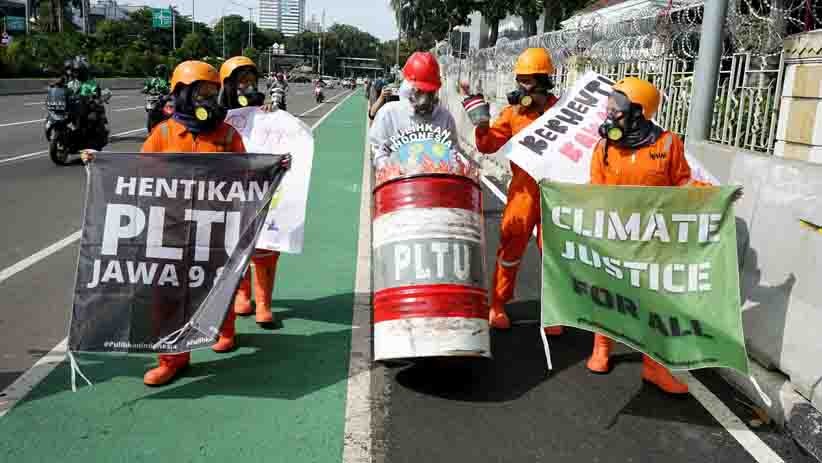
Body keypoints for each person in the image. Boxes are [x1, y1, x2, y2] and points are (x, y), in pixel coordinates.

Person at [84, 60, 247, 386]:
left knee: (217, 283)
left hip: (214, 224)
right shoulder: (163, 133)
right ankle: (172, 358)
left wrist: (275, 166)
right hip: (169, 226)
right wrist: (101, 160)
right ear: (182, 94)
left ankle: (224, 329)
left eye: (213, 93)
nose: (208, 100)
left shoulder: (228, 134)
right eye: (202, 92)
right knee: (167, 292)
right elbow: (137, 172)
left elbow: (247, 172)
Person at [587, 77, 742, 394]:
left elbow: (683, 184)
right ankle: (601, 349)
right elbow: (594, 192)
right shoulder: (603, 147)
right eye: (610, 105)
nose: (610, 112)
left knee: (654, 303)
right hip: (615, 235)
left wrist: (715, 196)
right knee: (608, 290)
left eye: (618, 107)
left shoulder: (668, 143)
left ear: (639, 111)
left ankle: (654, 368)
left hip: (654, 239)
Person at [464, 48, 563, 334]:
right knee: (510, 248)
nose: (522, 87)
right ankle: (497, 304)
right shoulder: (512, 114)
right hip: (523, 191)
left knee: (555, 256)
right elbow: (487, 145)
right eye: (520, 80)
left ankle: (554, 312)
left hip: (555, 194)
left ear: (545, 80)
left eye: (529, 81)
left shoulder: (564, 110)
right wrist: (482, 125)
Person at [219, 55, 291, 331]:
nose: (246, 86)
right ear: (227, 84)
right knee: (233, 246)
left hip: (260, 185)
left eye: (251, 80)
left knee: (265, 246)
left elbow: (284, 135)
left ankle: (264, 303)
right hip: (227, 189)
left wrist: (272, 110)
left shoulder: (266, 107)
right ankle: (241, 294)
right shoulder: (215, 114)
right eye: (240, 81)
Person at [368, 51, 460, 167]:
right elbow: (377, 151)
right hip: (398, 181)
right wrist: (391, 168)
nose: (425, 99)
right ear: (409, 87)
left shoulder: (445, 117)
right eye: (420, 91)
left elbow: (453, 153)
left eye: (430, 92)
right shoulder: (389, 114)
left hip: (436, 182)